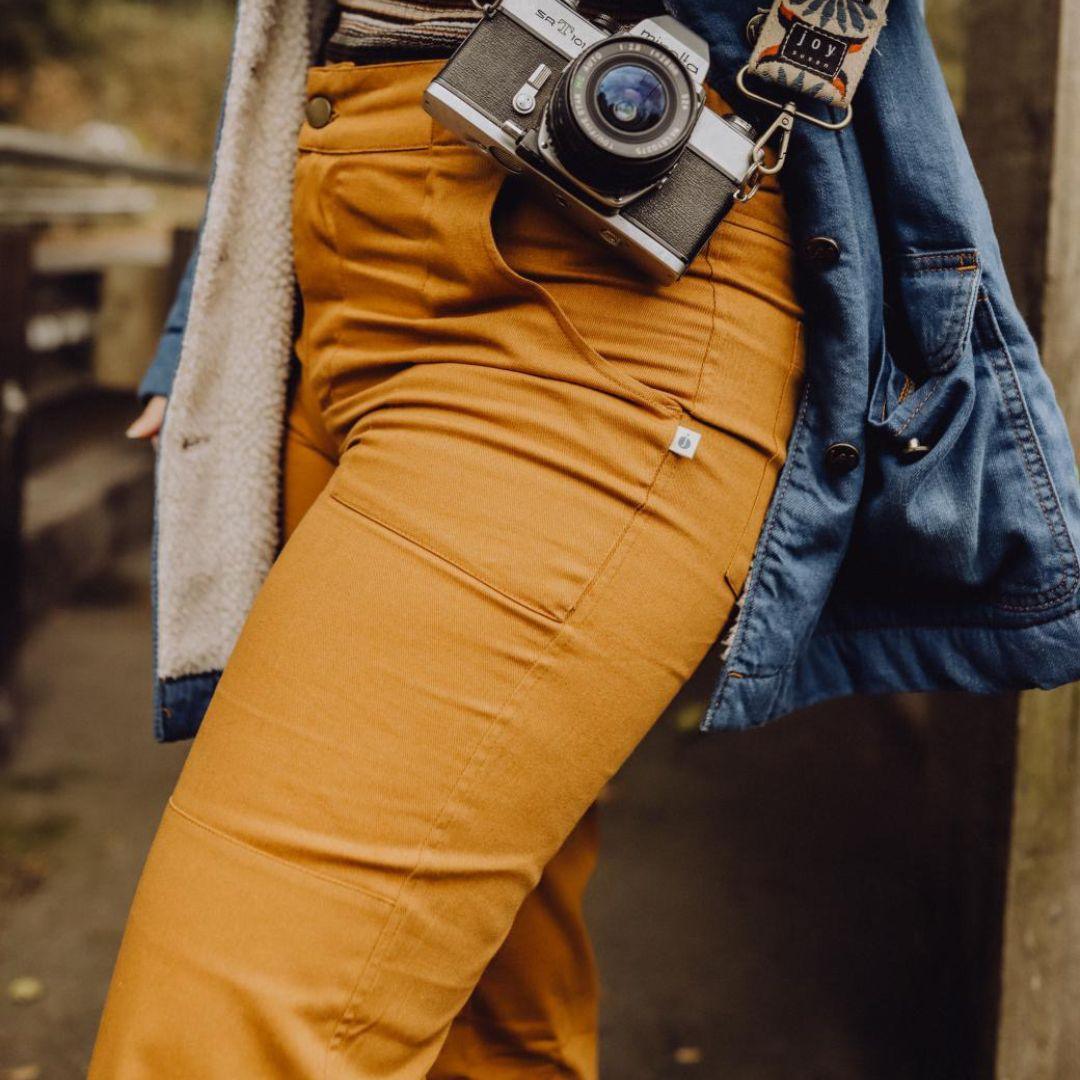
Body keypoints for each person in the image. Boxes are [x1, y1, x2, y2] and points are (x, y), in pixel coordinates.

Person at [92, 1, 1080, 1076]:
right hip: (334, 221)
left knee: (227, 1028)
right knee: (486, 1020)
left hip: (616, 266)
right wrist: (210, 313)